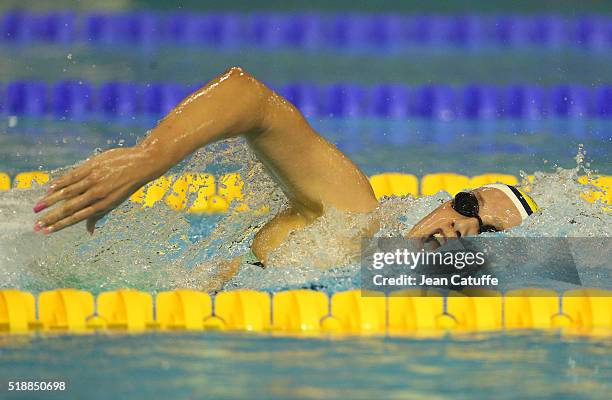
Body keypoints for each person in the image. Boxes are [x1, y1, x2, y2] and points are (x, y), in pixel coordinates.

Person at [32, 66, 538, 272]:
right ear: (444, 202)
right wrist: (149, 158)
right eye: (468, 206)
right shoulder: (354, 213)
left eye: (486, 233)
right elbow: (250, 97)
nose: (464, 225)